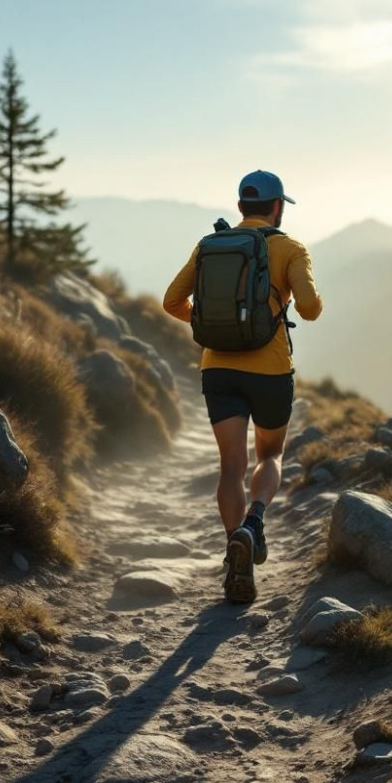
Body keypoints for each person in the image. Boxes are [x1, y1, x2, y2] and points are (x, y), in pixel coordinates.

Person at [162, 170, 323, 603]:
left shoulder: (209, 246)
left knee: (230, 466)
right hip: (270, 371)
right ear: (277, 207)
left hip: (218, 369)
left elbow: (171, 302)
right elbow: (309, 308)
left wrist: (212, 325)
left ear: (239, 208)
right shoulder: (290, 248)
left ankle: (235, 546)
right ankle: (254, 525)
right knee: (269, 454)